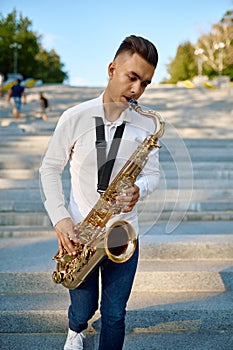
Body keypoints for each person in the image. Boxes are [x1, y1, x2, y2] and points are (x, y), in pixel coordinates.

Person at [39, 35, 160, 350]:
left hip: (122, 233)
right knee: (83, 307)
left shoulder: (147, 125)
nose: (136, 90)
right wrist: (61, 219)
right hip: (81, 230)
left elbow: (153, 175)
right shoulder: (75, 117)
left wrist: (139, 189)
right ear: (111, 69)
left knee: (115, 314)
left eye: (145, 83)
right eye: (132, 77)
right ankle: (76, 328)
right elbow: (49, 168)